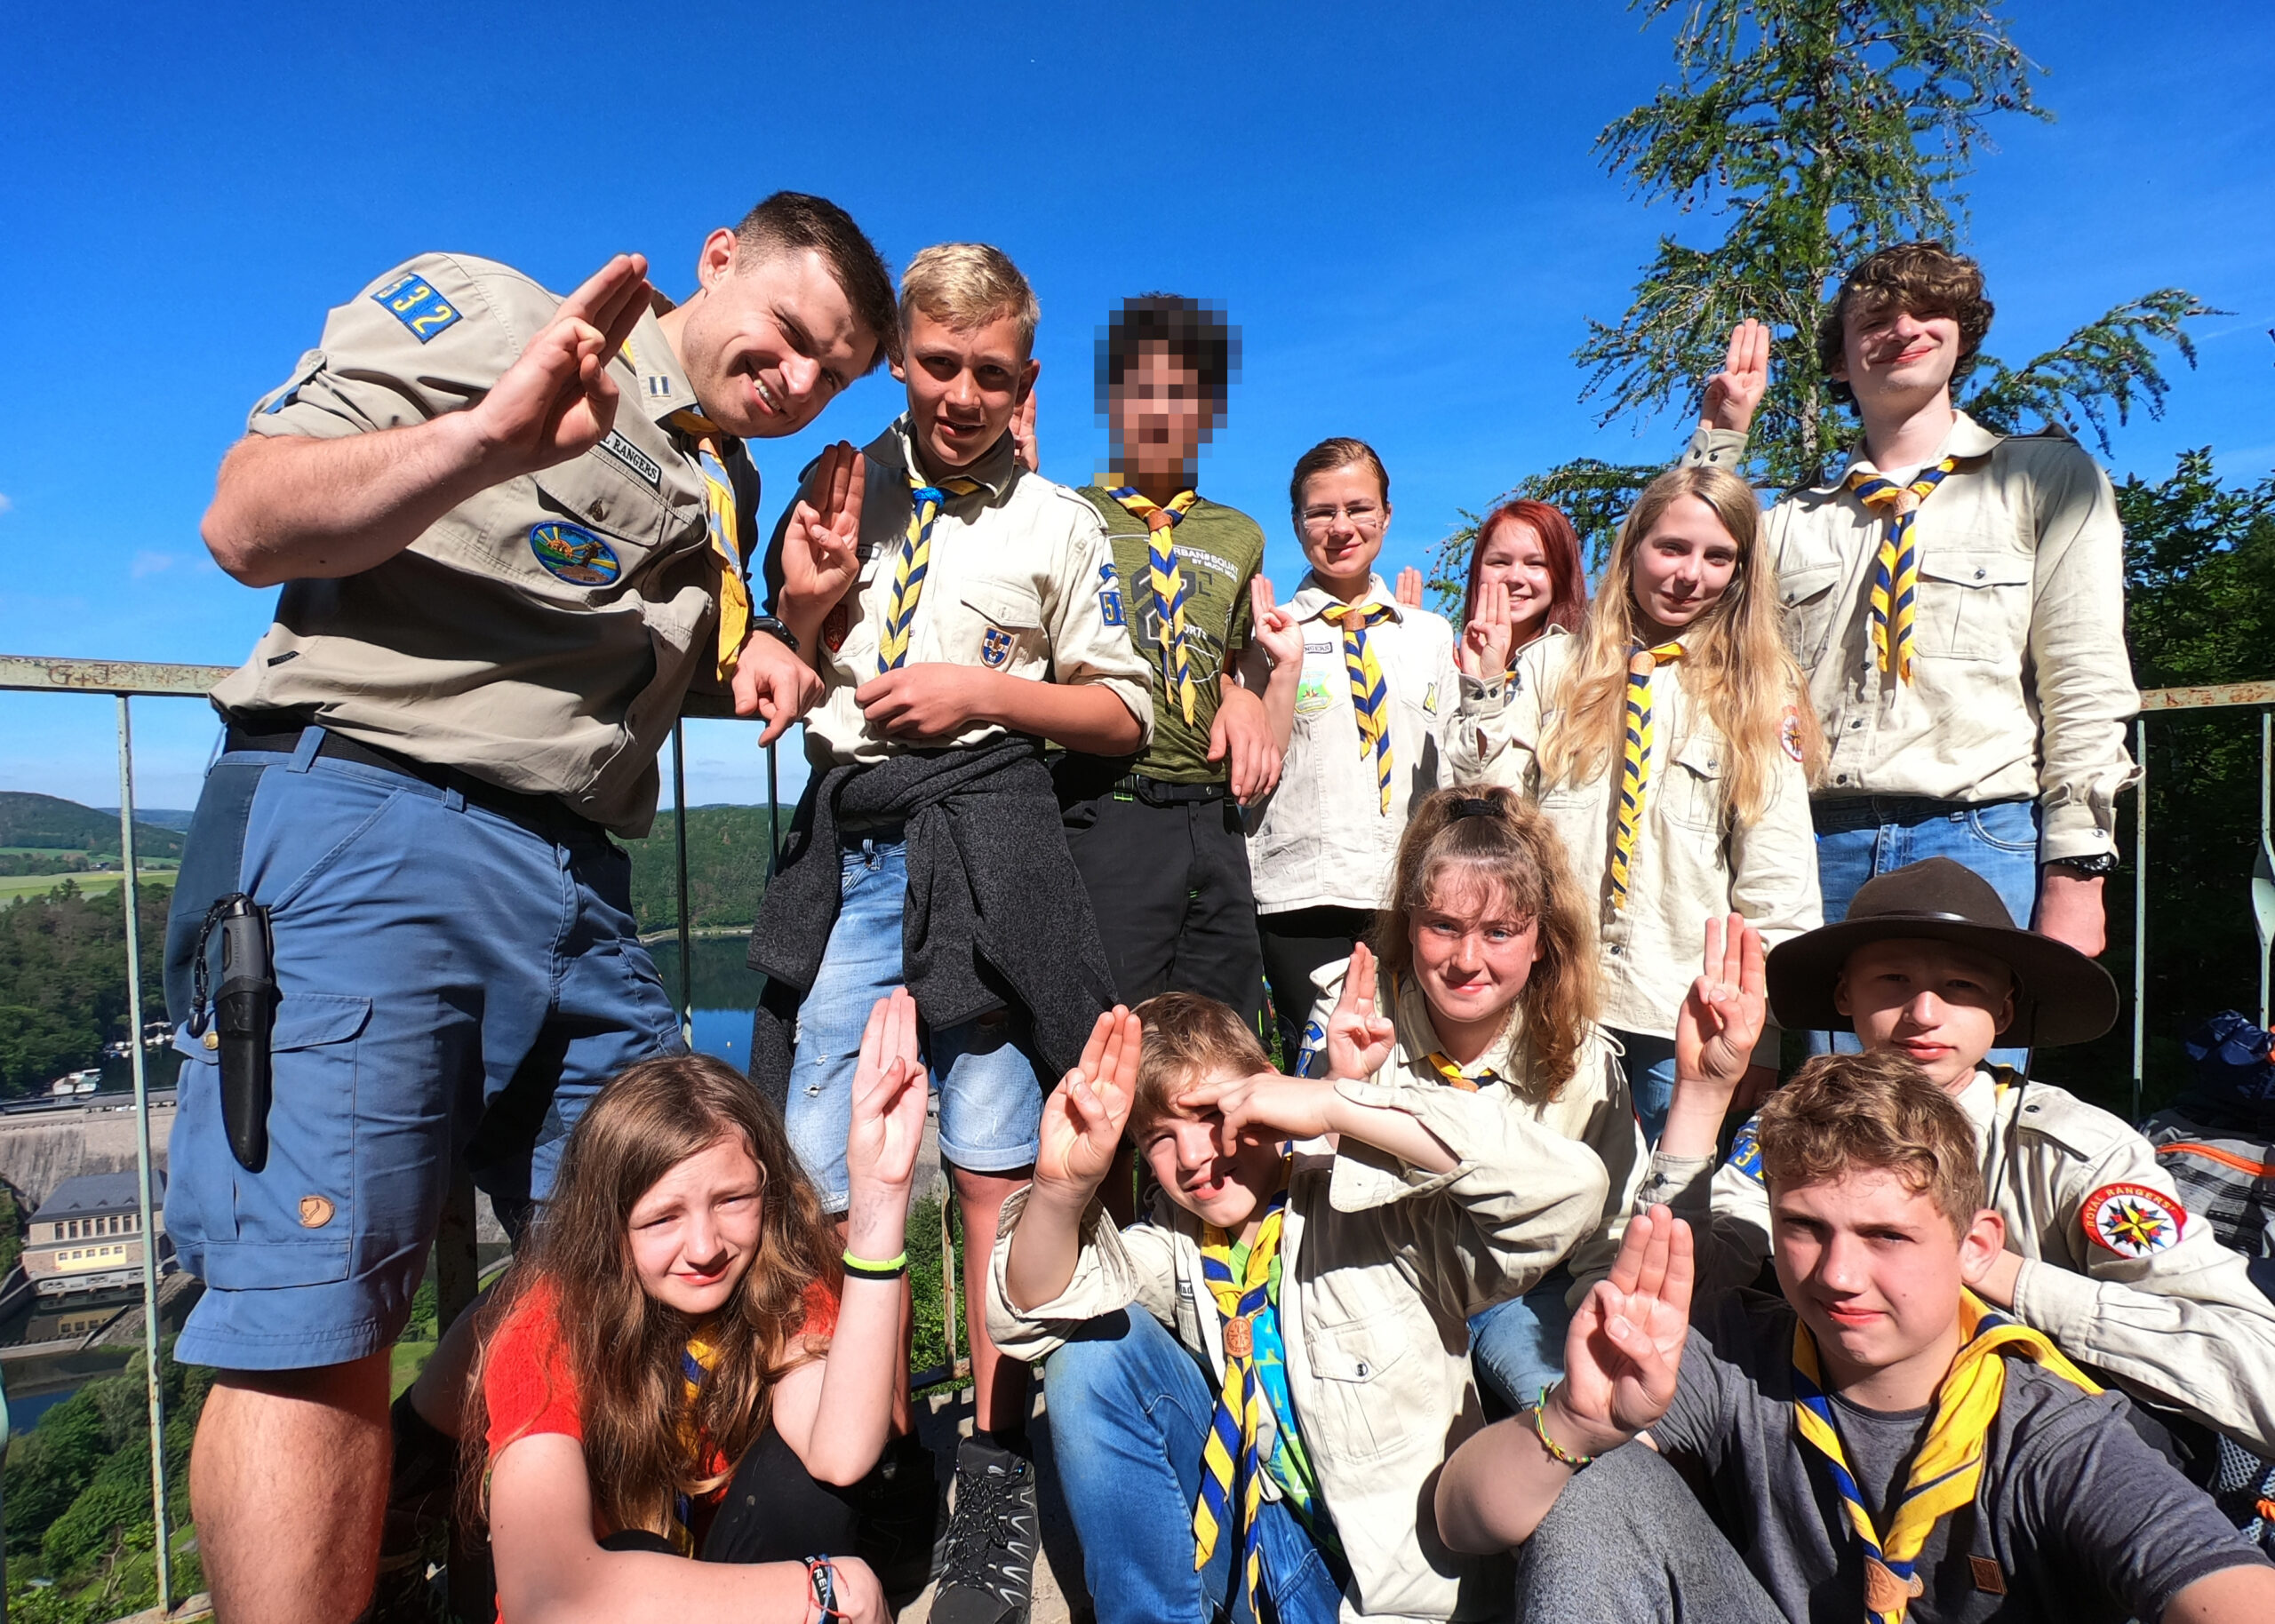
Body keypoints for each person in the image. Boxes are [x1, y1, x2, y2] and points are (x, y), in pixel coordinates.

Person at [166, 194, 897, 1624]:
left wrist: (784, 633)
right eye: (792, 332)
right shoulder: (500, 316)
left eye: (833, 373)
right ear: (719, 259)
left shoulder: (723, 483)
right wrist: (485, 440)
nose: (801, 380)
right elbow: (246, 520)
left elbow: (620, 640)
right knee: (316, 1314)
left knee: (648, 1250)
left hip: (579, 879)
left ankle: (432, 1496)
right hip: (376, 823)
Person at [745, 243, 1153, 1624]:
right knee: (818, 1174)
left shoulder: (1060, 526)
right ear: (900, 361)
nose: (961, 396)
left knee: (991, 1170)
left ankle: (990, 1473)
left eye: (990, 373)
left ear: (1024, 379)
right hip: (857, 854)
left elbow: (1121, 713)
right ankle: (845, 1454)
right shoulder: (837, 485)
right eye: (936, 366)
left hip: (990, 857)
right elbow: (787, 659)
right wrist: (801, 604)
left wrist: (984, 691)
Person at [1435, 1056, 2275, 1624]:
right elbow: (1458, 1518)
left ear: (1976, 1246)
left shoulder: (2047, 1432)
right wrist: (1577, 1425)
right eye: (1805, 1228)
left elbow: (2217, 1582)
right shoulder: (1737, 1358)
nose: (1838, 1275)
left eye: (1886, 1236)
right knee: (1598, 1474)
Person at [987, 993, 1609, 1621]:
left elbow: (1567, 1194)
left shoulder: (1373, 1207)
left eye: (1211, 1114)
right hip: (1264, 1551)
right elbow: (1033, 1309)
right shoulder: (1181, 1241)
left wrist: (1334, 1103)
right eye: (1160, 1139)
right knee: (1088, 1357)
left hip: (1397, 1597)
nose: (1194, 1156)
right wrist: (1060, 1189)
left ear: (1269, 1090)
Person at [1656, 859, 2275, 1461]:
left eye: (1961, 987)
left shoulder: (2076, 1153)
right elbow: (1685, 1304)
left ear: (2003, 1010)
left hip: (2052, 1454)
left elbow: (2258, 1368)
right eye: (1893, 980)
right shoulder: (1799, 1127)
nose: (1923, 1014)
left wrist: (2009, 1279)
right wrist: (1701, 1098)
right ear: (1845, 993)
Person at [1693, 247, 2139, 1054]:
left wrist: (2077, 871)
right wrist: (1720, 438)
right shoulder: (1791, 523)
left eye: (1928, 312)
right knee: (1831, 1107)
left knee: (1966, 1098)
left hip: (1980, 835)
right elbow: (1678, 598)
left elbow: (2084, 679)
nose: (1902, 329)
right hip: (1813, 844)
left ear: (1961, 337)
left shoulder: (2046, 479)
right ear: (1840, 358)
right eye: (1874, 318)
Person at [473, 993, 928, 1623]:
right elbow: (548, 1598)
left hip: (720, 1582)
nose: (706, 1248)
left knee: (805, 1488)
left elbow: (841, 1452)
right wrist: (815, 1593)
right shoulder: (548, 1326)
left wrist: (879, 1197)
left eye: (733, 1200)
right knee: (632, 1550)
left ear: (768, 1190)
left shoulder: (776, 1281)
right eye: (662, 1217)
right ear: (607, 1228)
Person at [1449, 464, 1822, 1142]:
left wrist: (1761, 1033)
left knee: (1667, 1190)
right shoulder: (1554, 668)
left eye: (1718, 557)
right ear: (1634, 547)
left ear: (1742, 572)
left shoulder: (1759, 693)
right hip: (1554, 997)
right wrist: (1485, 693)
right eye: (1671, 548)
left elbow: (1778, 879)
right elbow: (1492, 818)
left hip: (1678, 1011)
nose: (1689, 575)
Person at [1307, 788, 1644, 1411]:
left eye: (1499, 932)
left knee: (1576, 1409)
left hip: (1525, 1297)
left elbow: (1613, 1234)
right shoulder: (1354, 1012)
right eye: (1443, 926)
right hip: (1383, 1283)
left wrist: (1599, 1344)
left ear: (1540, 939)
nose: (1468, 960)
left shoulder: (1582, 1057)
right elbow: (1303, 1196)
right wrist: (1340, 1084)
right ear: (1409, 923)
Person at [1054, 295, 1280, 1023]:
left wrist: (1242, 696)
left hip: (1213, 817)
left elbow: (1228, 661)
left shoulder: (1240, 534)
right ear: (1112, 401)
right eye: (1141, 390)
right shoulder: (1065, 513)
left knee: (1226, 1039)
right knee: (1106, 1037)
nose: (1160, 411)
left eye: (1182, 394)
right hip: (1106, 803)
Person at [1244, 437, 1458, 1064]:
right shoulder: (1268, 632)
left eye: (1359, 508)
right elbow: (1252, 767)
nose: (1341, 528)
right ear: (1297, 524)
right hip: (1303, 895)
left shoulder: (1428, 635)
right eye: (1321, 512)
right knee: (1318, 1072)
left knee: (1412, 1067)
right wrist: (1278, 671)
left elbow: (1452, 769)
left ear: (1386, 516)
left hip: (1409, 894)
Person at [1452, 497, 1588, 684]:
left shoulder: (1585, 670)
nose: (1515, 577)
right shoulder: (1447, 670)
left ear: (1563, 574)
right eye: (1500, 562)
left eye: (1535, 563)